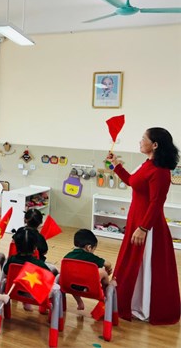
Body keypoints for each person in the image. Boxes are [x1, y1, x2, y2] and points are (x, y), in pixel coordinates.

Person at [108, 127, 180, 325]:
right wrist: (116, 165)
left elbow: (157, 202)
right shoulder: (146, 165)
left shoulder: (161, 172)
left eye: (143, 138)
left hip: (147, 224)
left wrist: (144, 228)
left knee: (143, 264)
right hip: (136, 220)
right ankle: (130, 301)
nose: (140, 141)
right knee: (132, 262)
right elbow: (132, 181)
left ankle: (143, 306)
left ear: (154, 145)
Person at [63, 229, 112, 310]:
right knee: (102, 272)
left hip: (69, 286)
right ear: (89, 247)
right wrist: (108, 269)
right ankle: (106, 288)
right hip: (87, 287)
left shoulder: (67, 256)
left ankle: (79, 302)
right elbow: (108, 264)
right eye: (94, 249)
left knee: (72, 278)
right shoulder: (90, 256)